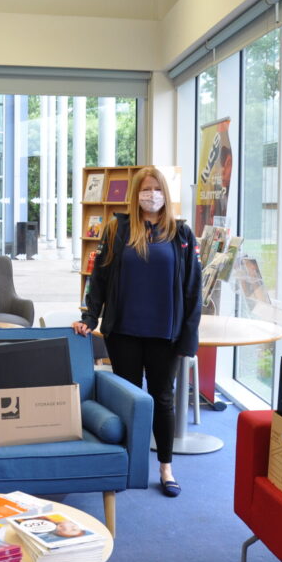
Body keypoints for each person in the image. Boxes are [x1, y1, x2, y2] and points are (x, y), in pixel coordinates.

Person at [73, 166, 202, 498]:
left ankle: (165, 467)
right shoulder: (117, 229)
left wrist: (189, 338)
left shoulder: (181, 234)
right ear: (136, 194)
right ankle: (128, 464)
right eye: (145, 189)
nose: (151, 195)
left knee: (163, 398)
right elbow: (100, 278)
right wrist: (90, 316)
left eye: (157, 189)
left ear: (165, 194)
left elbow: (192, 290)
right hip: (124, 332)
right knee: (129, 399)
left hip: (166, 334)